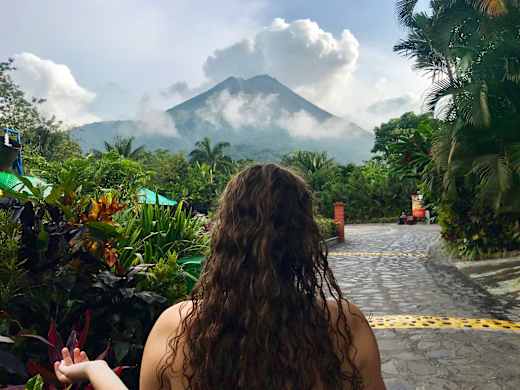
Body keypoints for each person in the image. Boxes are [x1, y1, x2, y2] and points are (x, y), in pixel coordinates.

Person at [54, 164, 386, 390]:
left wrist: (93, 370)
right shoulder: (344, 326)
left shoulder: (177, 326)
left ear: (224, 236)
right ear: (304, 240)